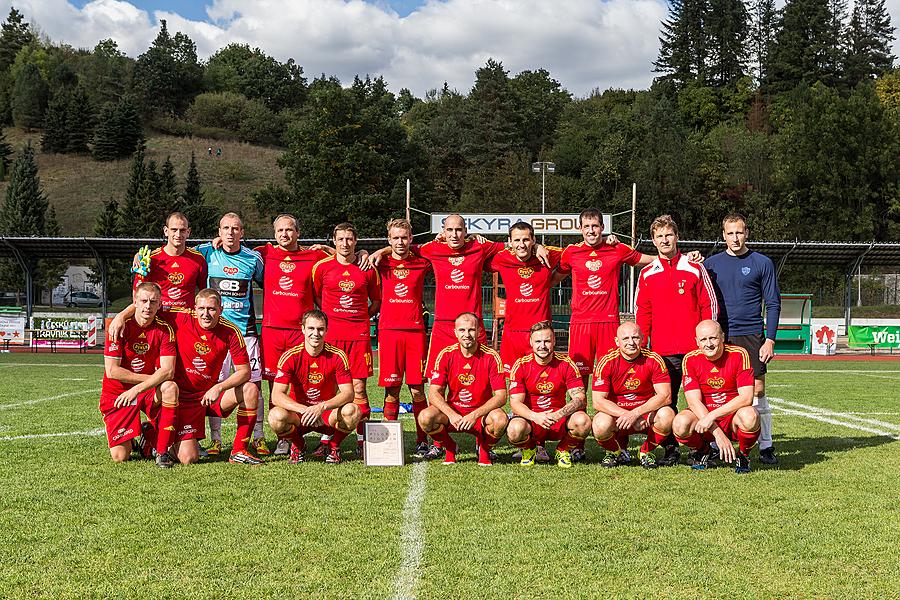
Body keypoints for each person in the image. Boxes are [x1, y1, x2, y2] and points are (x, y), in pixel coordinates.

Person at [633, 215, 717, 466]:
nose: (664, 240)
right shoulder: (648, 273)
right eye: (659, 236)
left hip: (693, 351)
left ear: (676, 237)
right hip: (661, 351)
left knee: (698, 399)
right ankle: (670, 449)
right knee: (666, 402)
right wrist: (643, 345)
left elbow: (708, 304)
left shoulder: (694, 267)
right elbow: (642, 311)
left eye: (668, 235)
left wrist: (706, 341)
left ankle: (699, 447)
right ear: (653, 241)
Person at [704, 212, 781, 465]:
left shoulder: (762, 263)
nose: (735, 238)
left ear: (746, 233)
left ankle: (766, 446)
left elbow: (772, 303)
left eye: (739, 232)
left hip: (751, 334)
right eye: (730, 233)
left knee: (757, 389)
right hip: (721, 335)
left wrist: (769, 339)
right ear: (723, 235)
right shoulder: (711, 264)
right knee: (719, 388)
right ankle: (717, 444)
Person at [156, 288, 262, 466]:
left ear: (221, 310)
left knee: (250, 389)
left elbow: (245, 372)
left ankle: (238, 451)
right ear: (194, 308)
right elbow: (147, 304)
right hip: (181, 399)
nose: (206, 314)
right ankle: (154, 437)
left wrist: (219, 387)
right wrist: (121, 317)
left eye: (212, 309)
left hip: (208, 396)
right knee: (189, 459)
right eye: (202, 309)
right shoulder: (180, 317)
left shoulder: (231, 331)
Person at [253, 214, 330, 455]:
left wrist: (329, 247)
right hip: (272, 331)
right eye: (280, 231)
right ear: (274, 234)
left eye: (289, 230)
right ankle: (284, 436)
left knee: (301, 380)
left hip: (301, 331)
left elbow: (342, 255)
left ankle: (310, 426)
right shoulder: (263, 253)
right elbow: (231, 247)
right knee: (274, 383)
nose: (285, 234)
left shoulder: (313, 256)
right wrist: (215, 240)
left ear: (298, 232)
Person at [486, 222, 562, 463]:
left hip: (539, 335)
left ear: (533, 240)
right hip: (512, 336)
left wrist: (541, 247)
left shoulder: (545, 257)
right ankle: (520, 437)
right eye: (517, 240)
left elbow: (573, 252)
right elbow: (479, 253)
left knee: (539, 384)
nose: (522, 244)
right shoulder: (502, 259)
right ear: (510, 242)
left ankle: (538, 443)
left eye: (527, 240)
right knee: (515, 387)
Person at [194, 213, 265, 455]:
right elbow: (181, 250)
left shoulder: (253, 259)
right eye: (226, 228)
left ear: (242, 232)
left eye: (236, 229)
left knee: (254, 385)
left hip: (246, 333)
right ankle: (216, 440)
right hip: (216, 335)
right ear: (219, 231)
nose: (231, 233)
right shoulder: (207, 252)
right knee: (215, 385)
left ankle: (258, 437)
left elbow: (272, 282)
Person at [312, 222, 381, 456]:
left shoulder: (367, 268)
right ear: (334, 241)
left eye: (349, 239)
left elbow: (376, 301)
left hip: (359, 337)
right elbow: (317, 298)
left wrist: (360, 319)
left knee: (359, 389)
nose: (345, 243)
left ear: (356, 241)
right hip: (331, 338)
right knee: (332, 389)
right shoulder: (321, 267)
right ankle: (327, 439)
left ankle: (363, 441)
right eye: (340, 239)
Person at [99, 282, 178, 467]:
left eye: (153, 302)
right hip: (118, 392)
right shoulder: (118, 326)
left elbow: (169, 371)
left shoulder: (165, 329)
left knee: (170, 387)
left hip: (145, 390)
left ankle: (162, 451)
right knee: (120, 456)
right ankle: (142, 434)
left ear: (160, 304)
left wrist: (138, 389)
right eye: (143, 301)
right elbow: (112, 371)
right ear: (135, 301)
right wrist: (150, 379)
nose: (148, 306)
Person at [268, 310, 361, 464]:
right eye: (311, 328)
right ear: (303, 329)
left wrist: (321, 407)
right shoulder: (290, 356)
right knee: (275, 416)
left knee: (352, 411)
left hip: (326, 416)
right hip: (300, 416)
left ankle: (333, 447)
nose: (315, 333)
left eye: (320, 329)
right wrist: (305, 410)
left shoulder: (338, 355)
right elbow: (276, 395)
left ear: (326, 330)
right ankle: (299, 446)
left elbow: (348, 393)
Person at [419, 312, 508, 466]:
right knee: (425, 417)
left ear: (479, 331)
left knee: (500, 420)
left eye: (471, 330)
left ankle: (484, 448)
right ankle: (450, 446)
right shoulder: (446, 355)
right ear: (455, 332)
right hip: (454, 414)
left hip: (481, 414)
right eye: (462, 330)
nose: (467, 335)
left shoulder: (491, 356)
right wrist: (452, 415)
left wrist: (474, 415)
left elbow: (501, 396)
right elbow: (433, 393)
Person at [375, 218, 432, 458]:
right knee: (392, 390)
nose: (400, 242)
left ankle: (422, 440)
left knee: (418, 390)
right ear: (389, 239)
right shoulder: (380, 262)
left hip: (415, 333)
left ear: (411, 239)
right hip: (389, 333)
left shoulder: (421, 262)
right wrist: (380, 251)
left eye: (404, 237)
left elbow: (436, 248)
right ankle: (390, 442)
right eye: (395, 238)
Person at [673, 320, 760, 473]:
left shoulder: (739, 354)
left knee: (750, 416)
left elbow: (746, 398)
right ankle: (705, 451)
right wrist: (718, 434)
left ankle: (743, 455)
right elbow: (693, 402)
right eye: (703, 339)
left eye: (713, 338)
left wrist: (712, 416)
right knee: (680, 424)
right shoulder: (690, 359)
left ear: (722, 337)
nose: (709, 344)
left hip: (732, 416)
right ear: (697, 342)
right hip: (703, 415)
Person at [506, 321, 589, 469]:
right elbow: (515, 403)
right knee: (514, 429)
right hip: (531, 420)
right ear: (531, 342)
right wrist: (535, 417)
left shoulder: (566, 364)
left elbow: (580, 398)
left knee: (583, 421)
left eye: (547, 341)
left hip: (558, 419)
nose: (542, 346)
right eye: (538, 341)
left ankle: (562, 450)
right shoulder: (521, 365)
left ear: (554, 341)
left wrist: (558, 415)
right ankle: (529, 449)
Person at [591, 322, 674, 469]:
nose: (631, 342)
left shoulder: (654, 359)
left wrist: (636, 413)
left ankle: (645, 452)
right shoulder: (607, 361)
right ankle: (614, 452)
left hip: (645, 414)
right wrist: (627, 414)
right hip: (617, 415)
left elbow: (665, 396)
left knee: (667, 415)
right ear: (617, 341)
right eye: (626, 338)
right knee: (599, 424)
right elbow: (598, 402)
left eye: (635, 338)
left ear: (643, 339)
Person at [131, 212, 207, 310]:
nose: (178, 234)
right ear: (166, 231)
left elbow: (205, 293)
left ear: (188, 232)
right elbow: (137, 294)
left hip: (186, 320)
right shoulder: (151, 259)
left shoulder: (198, 259)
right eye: (174, 230)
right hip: (159, 319)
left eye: (182, 230)